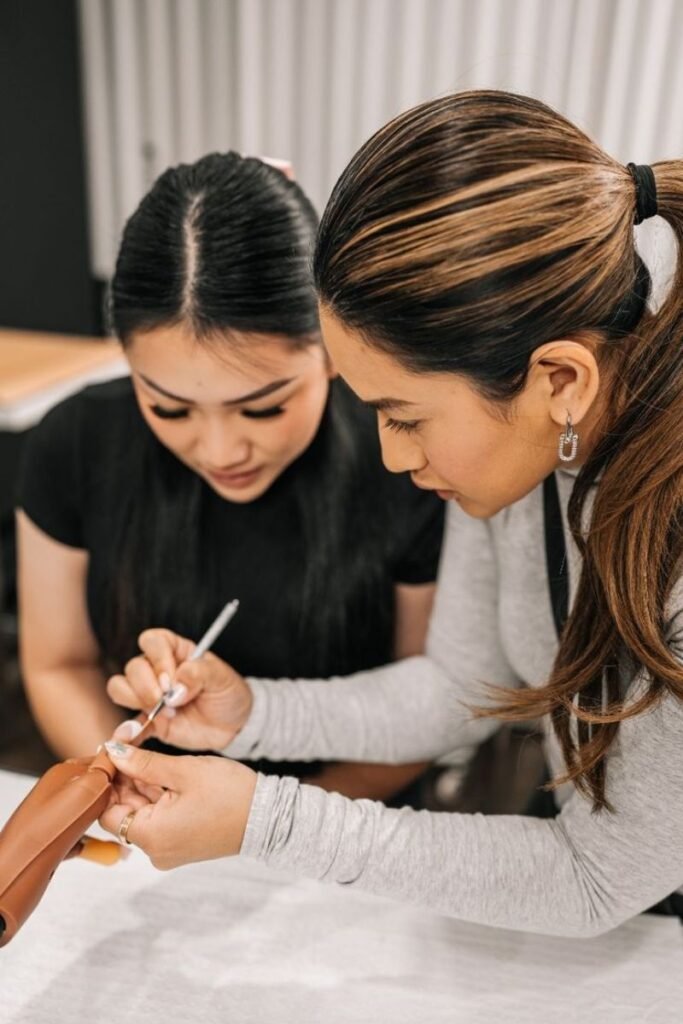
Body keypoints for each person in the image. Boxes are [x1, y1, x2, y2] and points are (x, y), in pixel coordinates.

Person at [101, 90, 683, 937]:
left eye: (406, 417)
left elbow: (596, 878)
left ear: (559, 380)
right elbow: (462, 686)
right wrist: (252, 714)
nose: (391, 458)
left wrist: (270, 822)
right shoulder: (523, 448)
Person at [16, 152, 445, 801]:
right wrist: (122, 788)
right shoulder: (74, 443)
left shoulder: (407, 458)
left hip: (353, 825)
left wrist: (264, 835)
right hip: (153, 828)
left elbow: (430, 704)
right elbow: (57, 665)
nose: (219, 449)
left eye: (263, 406)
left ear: (332, 350)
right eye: (168, 406)